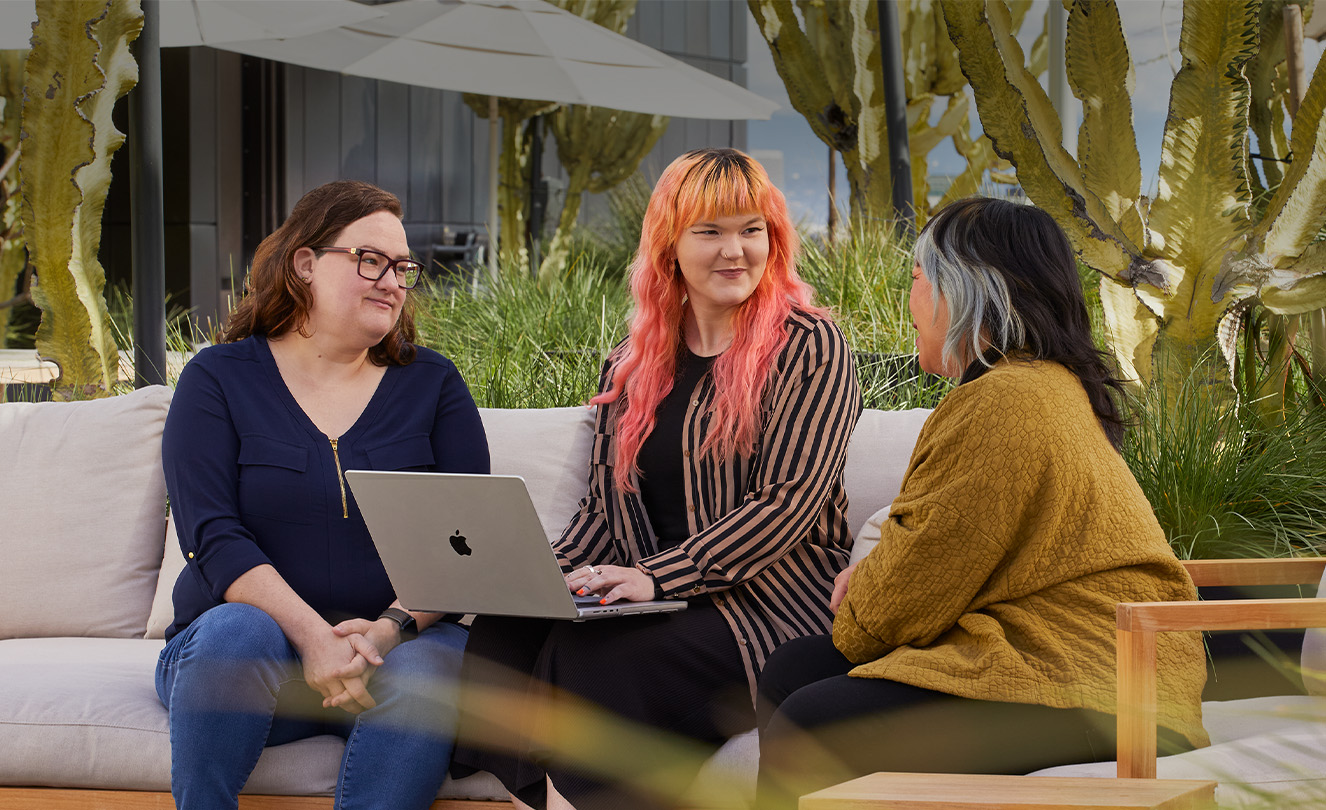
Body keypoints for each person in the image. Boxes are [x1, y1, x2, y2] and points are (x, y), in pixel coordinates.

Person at [753, 197, 1210, 809]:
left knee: (817, 720)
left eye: (917, 277)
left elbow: (896, 609)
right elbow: (942, 554)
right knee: (793, 668)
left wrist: (863, 589)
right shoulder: (1040, 383)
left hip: (1094, 688)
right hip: (1087, 671)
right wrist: (876, 581)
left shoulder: (1004, 402)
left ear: (969, 291)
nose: (908, 300)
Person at [449, 148, 862, 810]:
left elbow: (787, 505)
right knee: (504, 638)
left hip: (768, 604)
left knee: (601, 661)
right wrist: (544, 578)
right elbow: (600, 513)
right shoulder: (631, 363)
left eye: (751, 229)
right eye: (711, 231)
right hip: (656, 599)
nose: (735, 251)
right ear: (670, 244)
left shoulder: (810, 346)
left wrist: (658, 577)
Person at [157, 180, 489, 810]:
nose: (392, 280)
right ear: (305, 264)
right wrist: (315, 639)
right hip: (256, 662)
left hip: (398, 650)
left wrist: (388, 631)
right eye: (370, 259)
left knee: (426, 673)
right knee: (234, 634)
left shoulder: (434, 384)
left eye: (403, 268)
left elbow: (463, 546)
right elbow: (212, 538)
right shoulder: (218, 378)